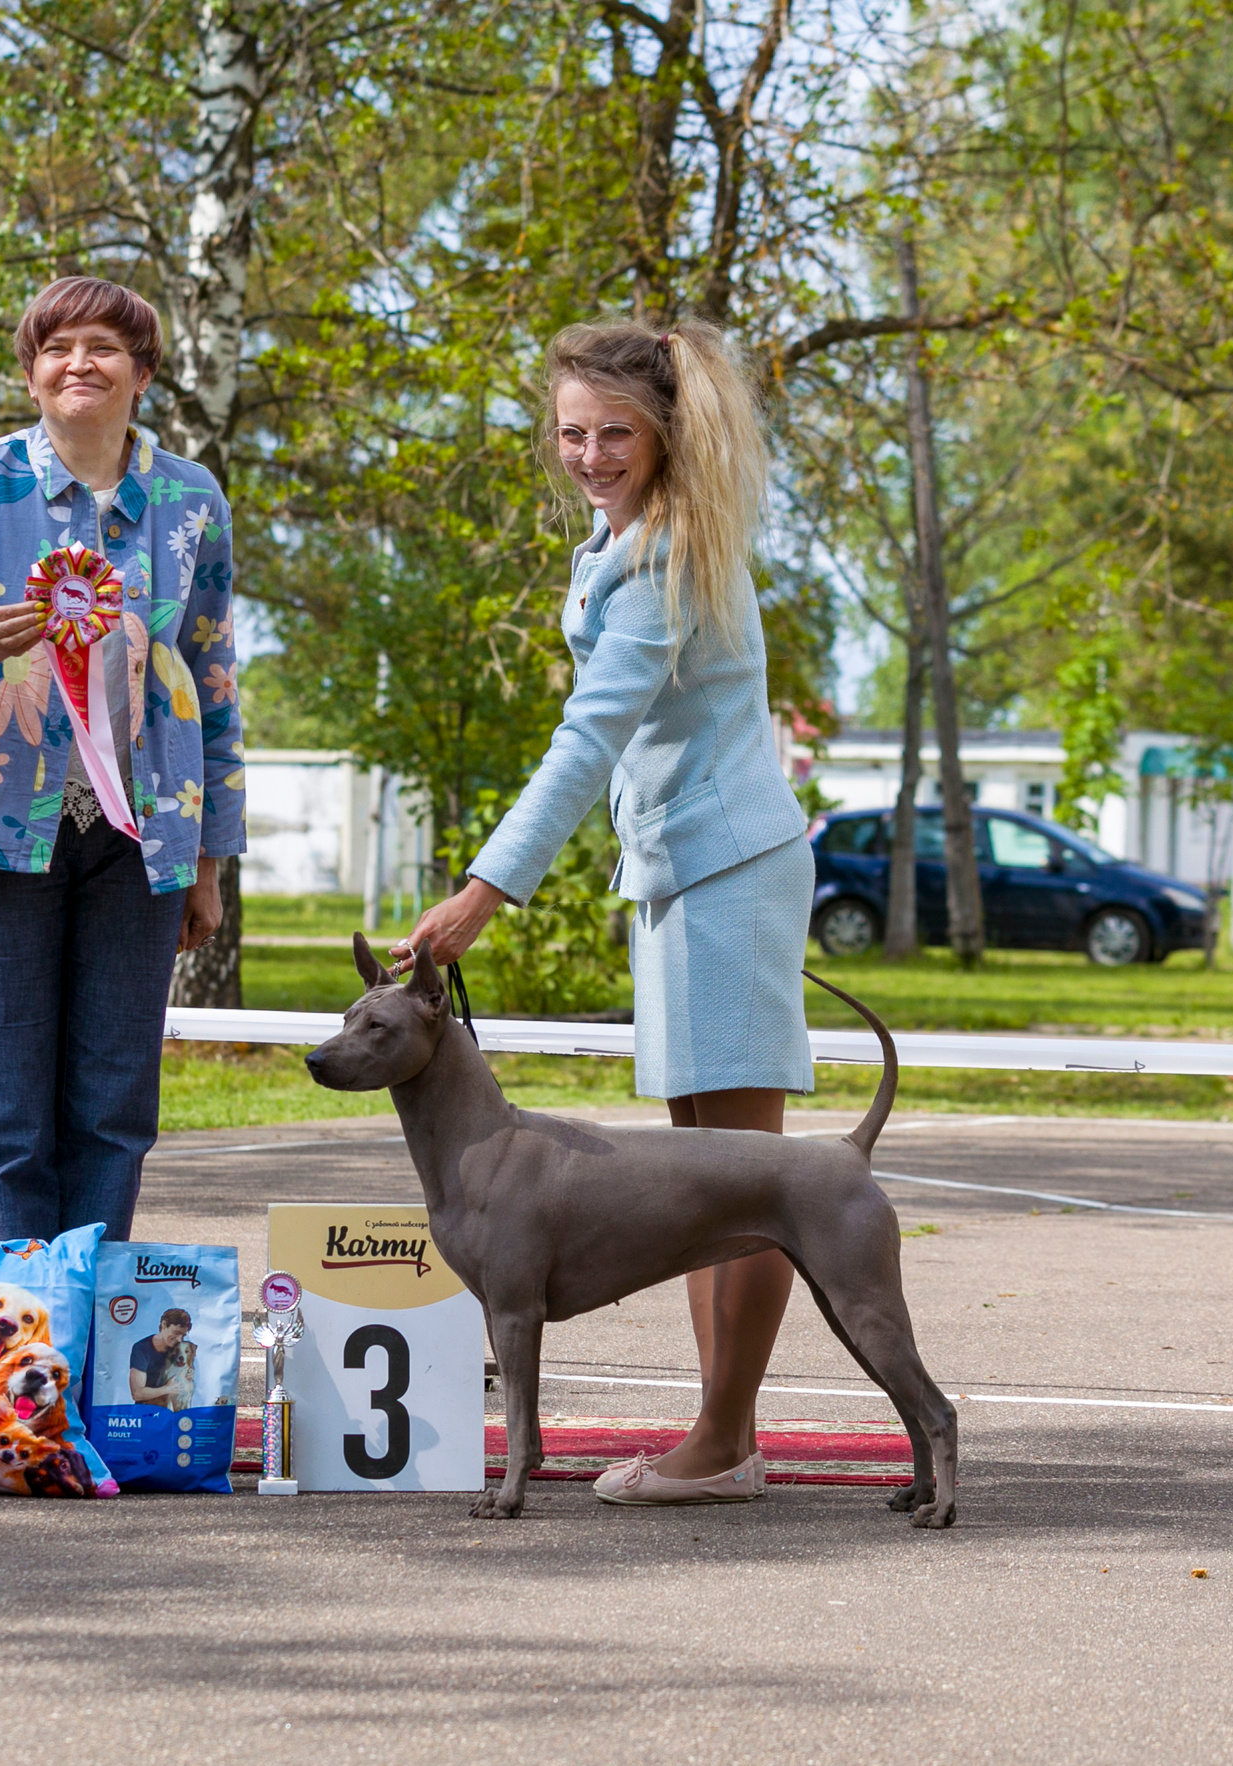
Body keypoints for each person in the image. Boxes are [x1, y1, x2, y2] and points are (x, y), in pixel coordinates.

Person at [394, 319, 809, 1507]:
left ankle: (721, 1443)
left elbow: (589, 737)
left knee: (746, 1178)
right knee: (701, 1178)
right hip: (686, 869)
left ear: (667, 431)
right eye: (570, 432)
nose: (587, 454)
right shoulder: (621, 540)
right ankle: (720, 1436)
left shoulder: (666, 555)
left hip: (727, 870)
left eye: (614, 432)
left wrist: (485, 888)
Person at [0, 276, 245, 1246]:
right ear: (32, 373)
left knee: (114, 1110)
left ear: (143, 373)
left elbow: (212, 676)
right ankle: (11, 1330)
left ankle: (86, 1318)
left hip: (143, 842)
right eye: (57, 348)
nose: (79, 363)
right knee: (2, 1116)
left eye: (104, 348)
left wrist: (209, 859)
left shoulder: (191, 499)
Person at [126, 1307, 194, 1407]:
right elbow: (137, 1393)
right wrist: (167, 1389)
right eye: (176, 1333)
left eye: (183, 1336)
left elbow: (187, 1368)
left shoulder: (178, 1348)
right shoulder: (142, 1348)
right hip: (147, 1409)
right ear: (164, 1325)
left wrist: (189, 1372)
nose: (179, 1339)